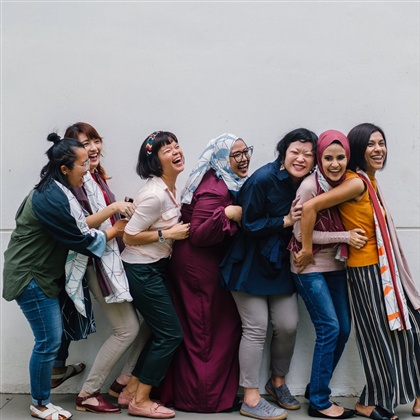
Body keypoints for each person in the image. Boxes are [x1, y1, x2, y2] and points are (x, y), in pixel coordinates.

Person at [294, 123, 420, 420]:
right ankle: (370, 400)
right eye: (371, 144)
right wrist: (307, 249)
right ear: (359, 151)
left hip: (379, 268)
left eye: (381, 143)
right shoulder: (356, 183)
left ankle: (409, 394)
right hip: (367, 271)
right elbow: (309, 209)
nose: (378, 149)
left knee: (406, 329)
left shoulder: (368, 180)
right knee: (383, 337)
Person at [2, 133, 126, 420]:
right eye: (83, 164)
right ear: (64, 168)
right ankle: (40, 404)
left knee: (50, 340)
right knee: (48, 341)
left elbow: (79, 226)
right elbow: (80, 239)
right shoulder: (51, 198)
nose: (88, 168)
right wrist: (115, 230)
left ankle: (49, 385)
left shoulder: (58, 190)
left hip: (40, 274)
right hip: (30, 277)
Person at [51, 122, 150, 414]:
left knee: (152, 320)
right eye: (85, 144)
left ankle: (122, 382)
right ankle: (89, 393)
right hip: (94, 264)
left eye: (95, 140)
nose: (93, 148)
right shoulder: (75, 182)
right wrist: (114, 211)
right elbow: (79, 227)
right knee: (127, 329)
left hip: (111, 259)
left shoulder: (95, 177)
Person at [221, 128, 318, 420]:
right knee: (256, 327)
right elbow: (248, 223)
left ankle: (276, 383)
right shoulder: (263, 179)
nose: (300, 158)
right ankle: (250, 398)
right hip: (248, 263)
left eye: (308, 154)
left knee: (288, 324)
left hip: (279, 265)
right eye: (295, 152)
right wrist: (284, 220)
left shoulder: (310, 183)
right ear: (283, 152)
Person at [159, 133, 252, 412]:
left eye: (245, 151)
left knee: (209, 329)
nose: (244, 158)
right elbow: (199, 234)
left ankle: (205, 394)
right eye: (236, 154)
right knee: (205, 333)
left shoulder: (223, 178)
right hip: (198, 267)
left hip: (201, 263)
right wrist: (229, 214)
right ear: (221, 158)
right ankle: (204, 399)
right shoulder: (215, 188)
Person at [288, 130, 367, 419]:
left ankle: (316, 388)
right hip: (307, 266)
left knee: (343, 329)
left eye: (340, 157)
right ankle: (320, 402)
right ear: (319, 160)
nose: (335, 164)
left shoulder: (345, 184)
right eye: (328, 158)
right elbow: (300, 235)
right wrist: (345, 236)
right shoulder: (310, 187)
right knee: (329, 328)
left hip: (335, 265)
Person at [117, 131, 189, 419]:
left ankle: (130, 391)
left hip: (155, 267)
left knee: (163, 332)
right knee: (170, 335)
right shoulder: (154, 195)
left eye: (176, 146)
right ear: (155, 162)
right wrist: (167, 234)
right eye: (166, 150)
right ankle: (141, 401)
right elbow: (129, 235)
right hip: (141, 269)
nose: (175, 151)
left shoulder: (170, 188)